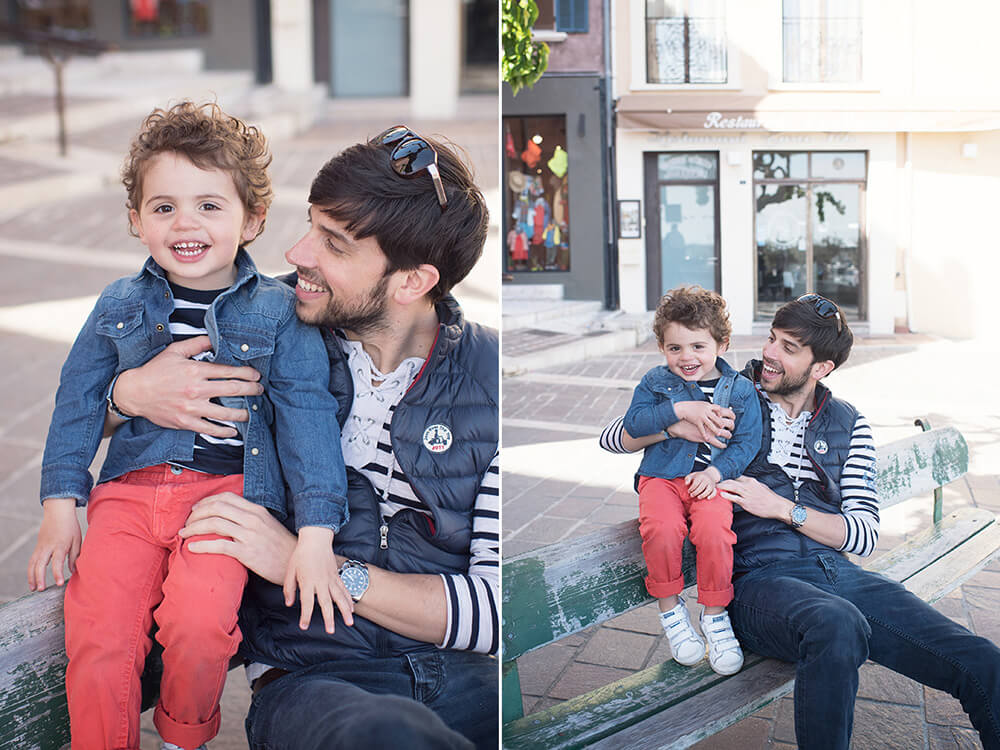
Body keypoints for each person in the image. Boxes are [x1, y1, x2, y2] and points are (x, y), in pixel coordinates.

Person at [109, 126, 499, 750]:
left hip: (468, 680)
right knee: (389, 737)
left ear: (412, 281)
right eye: (310, 225)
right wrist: (125, 395)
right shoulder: (256, 323)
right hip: (314, 680)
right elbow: (103, 411)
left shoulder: (490, 379)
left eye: (333, 244)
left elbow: (493, 611)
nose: (296, 252)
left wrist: (308, 561)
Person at [27, 102, 353, 750]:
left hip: (225, 497)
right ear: (134, 219)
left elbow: (308, 418)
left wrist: (317, 533)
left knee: (200, 624)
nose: (186, 223)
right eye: (164, 206)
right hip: (127, 496)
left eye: (210, 205)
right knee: (99, 633)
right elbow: (76, 400)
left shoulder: (279, 312)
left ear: (252, 218)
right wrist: (59, 502)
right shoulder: (119, 303)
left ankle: (183, 737)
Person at [602, 293, 1000, 749]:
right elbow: (614, 436)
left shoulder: (849, 423)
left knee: (983, 661)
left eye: (789, 348)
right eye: (773, 339)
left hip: (838, 574)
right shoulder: (730, 390)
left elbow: (865, 534)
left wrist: (780, 507)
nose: (770, 353)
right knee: (836, 624)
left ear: (821, 368)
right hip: (760, 582)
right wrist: (678, 422)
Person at [624, 286, 761, 675]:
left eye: (698, 346)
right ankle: (670, 609)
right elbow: (634, 424)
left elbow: (747, 442)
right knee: (661, 529)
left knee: (716, 531)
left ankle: (715, 616)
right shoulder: (655, 382)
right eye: (675, 348)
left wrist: (716, 473)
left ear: (722, 343)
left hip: (712, 482)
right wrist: (679, 409)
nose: (687, 358)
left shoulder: (741, 390)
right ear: (661, 348)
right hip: (662, 479)